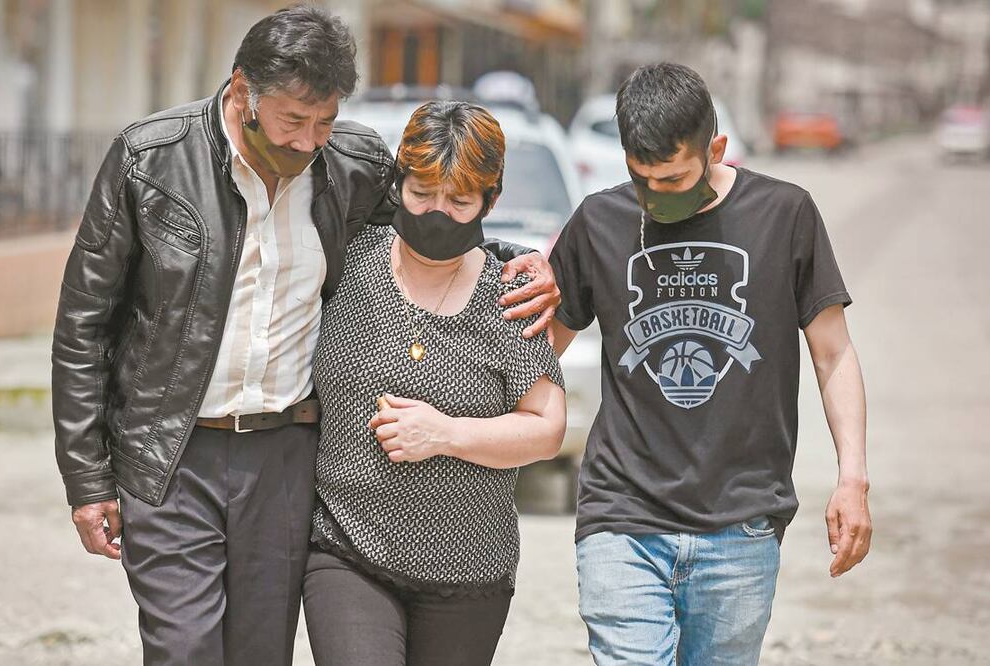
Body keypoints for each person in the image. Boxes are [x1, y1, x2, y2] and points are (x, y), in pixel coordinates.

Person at [50, 7, 560, 665]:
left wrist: (518, 260)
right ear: (242, 93)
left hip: (284, 455)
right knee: (184, 649)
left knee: (259, 652)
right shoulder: (151, 159)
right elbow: (82, 325)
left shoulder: (346, 164)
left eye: (323, 122)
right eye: (292, 121)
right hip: (171, 450)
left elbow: (429, 233)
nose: (306, 141)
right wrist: (86, 478)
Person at [548, 62, 872, 665]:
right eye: (642, 180)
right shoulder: (599, 221)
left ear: (715, 148)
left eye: (674, 179)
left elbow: (834, 355)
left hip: (741, 521)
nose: (657, 197)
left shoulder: (785, 214)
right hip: (623, 512)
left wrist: (851, 479)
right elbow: (540, 353)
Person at [300, 100, 567, 666]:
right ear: (399, 182)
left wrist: (445, 434)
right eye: (423, 192)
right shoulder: (349, 260)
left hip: (469, 570)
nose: (438, 212)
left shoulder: (509, 294)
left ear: (490, 201)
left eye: (460, 200)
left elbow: (547, 429)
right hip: (347, 548)